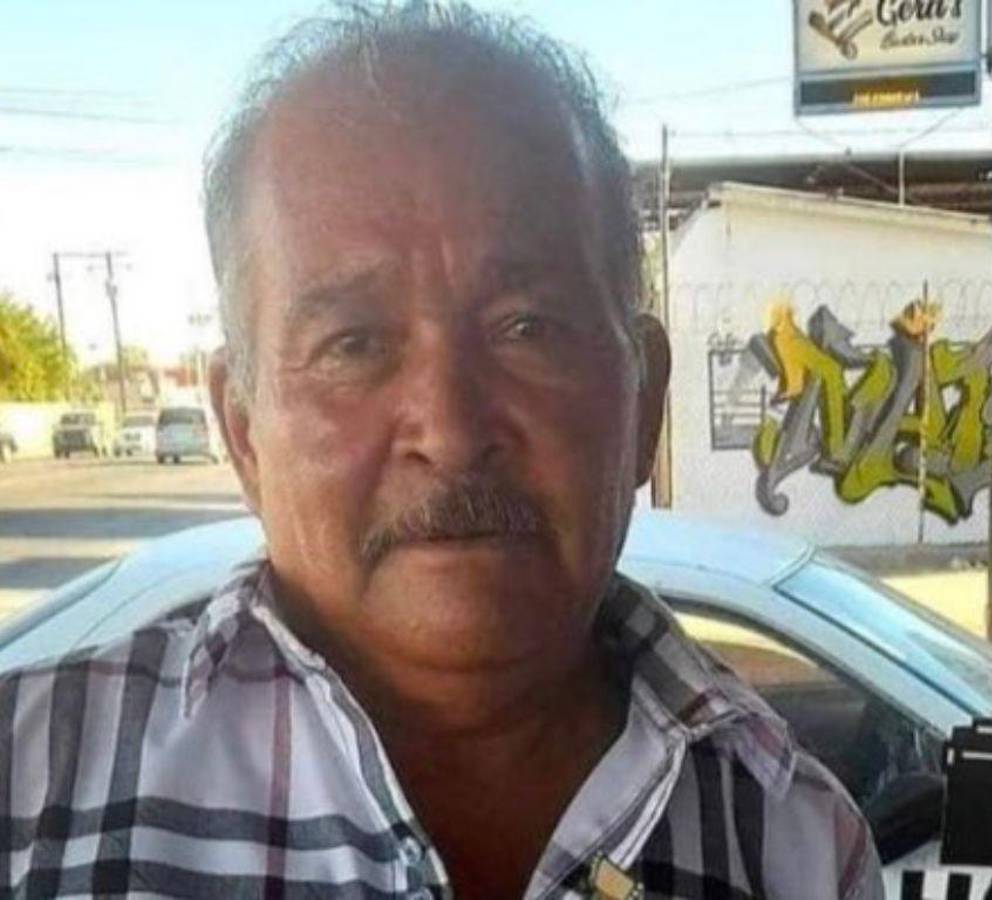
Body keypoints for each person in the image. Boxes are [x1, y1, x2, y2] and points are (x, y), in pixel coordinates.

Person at [0, 3, 884, 897]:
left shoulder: (799, 847)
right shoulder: (26, 793)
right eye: (354, 344)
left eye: (526, 327)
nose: (452, 432)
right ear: (242, 429)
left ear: (644, 398)